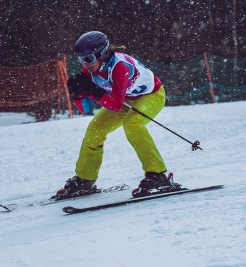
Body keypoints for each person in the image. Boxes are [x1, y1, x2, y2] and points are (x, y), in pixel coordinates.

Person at [56, 31, 172, 199]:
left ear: (101, 54)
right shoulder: (90, 70)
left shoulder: (119, 66)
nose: (85, 64)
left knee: (133, 124)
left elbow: (116, 105)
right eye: (80, 59)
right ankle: (85, 180)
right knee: (95, 129)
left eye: (88, 58)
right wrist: (77, 94)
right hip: (126, 100)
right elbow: (85, 109)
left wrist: (94, 90)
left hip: (151, 96)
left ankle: (157, 175)